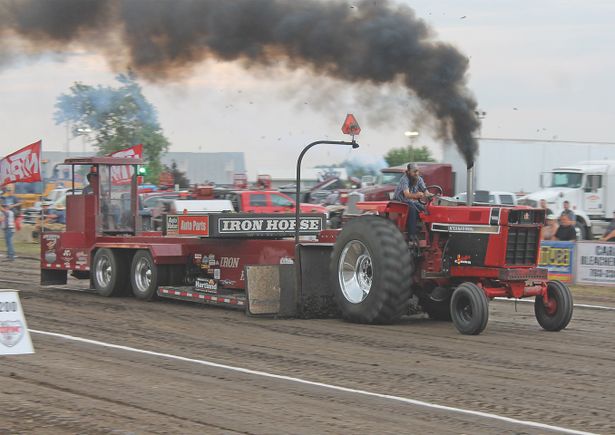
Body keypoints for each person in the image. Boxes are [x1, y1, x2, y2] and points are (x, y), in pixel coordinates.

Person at [393, 163, 428, 240]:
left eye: (417, 171)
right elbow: (407, 195)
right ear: (408, 171)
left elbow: (425, 191)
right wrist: (417, 195)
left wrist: (433, 196)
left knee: (424, 208)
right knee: (412, 208)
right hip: (399, 201)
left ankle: (422, 229)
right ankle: (412, 234)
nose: (416, 173)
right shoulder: (404, 179)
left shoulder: (418, 179)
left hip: (410, 201)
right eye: (414, 171)